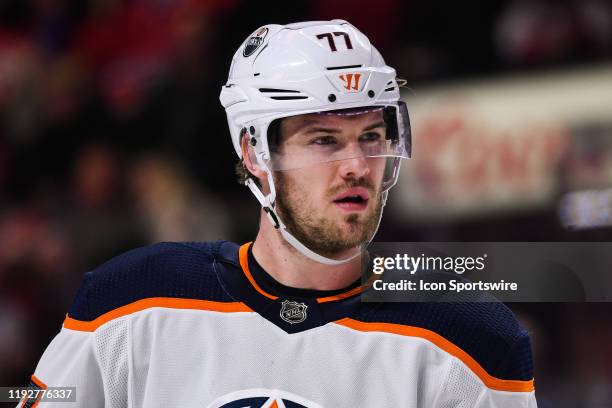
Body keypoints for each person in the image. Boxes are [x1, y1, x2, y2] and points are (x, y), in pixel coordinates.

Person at [21, 20, 537, 407]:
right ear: (253, 154)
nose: (356, 165)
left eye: (371, 137)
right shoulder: (131, 301)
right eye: (323, 140)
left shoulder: (470, 336)